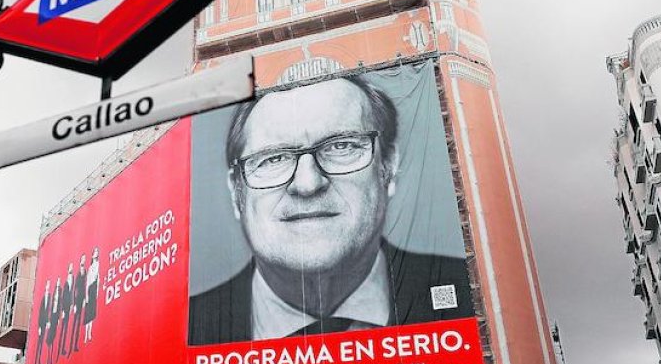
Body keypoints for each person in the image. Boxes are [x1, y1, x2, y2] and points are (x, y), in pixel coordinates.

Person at [188, 76, 473, 345]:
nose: (308, 184)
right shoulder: (185, 333)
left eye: (341, 146)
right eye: (273, 158)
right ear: (236, 192)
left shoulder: (472, 292)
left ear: (388, 167)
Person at [69, 253, 86, 352]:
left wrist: (83, 299)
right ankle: (71, 345)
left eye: (85, 259)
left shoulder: (85, 272)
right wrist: (74, 303)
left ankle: (75, 345)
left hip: (81, 300)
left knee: (78, 324)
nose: (84, 260)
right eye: (82, 259)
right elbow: (74, 289)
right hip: (76, 301)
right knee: (74, 324)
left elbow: (84, 286)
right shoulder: (78, 273)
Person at [33, 280, 50, 364]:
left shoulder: (50, 297)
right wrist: (39, 326)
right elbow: (40, 313)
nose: (48, 287)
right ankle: (36, 363)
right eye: (47, 285)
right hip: (41, 324)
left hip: (46, 323)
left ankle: (39, 361)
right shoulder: (43, 297)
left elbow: (48, 311)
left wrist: (48, 321)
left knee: (43, 342)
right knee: (39, 344)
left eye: (49, 285)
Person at [57, 264, 74, 357]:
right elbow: (63, 297)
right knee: (63, 329)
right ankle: (60, 347)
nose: (72, 268)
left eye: (72, 267)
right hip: (64, 309)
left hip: (69, 307)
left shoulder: (72, 278)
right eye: (70, 267)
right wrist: (63, 310)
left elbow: (72, 293)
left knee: (66, 329)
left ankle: (63, 348)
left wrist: (71, 305)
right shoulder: (65, 281)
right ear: (68, 270)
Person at [83, 247, 100, 343]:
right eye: (95, 252)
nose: (96, 253)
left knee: (92, 313)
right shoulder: (90, 267)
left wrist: (97, 291)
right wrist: (86, 295)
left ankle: (89, 333)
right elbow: (87, 282)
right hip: (89, 290)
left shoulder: (98, 264)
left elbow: (98, 278)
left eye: (97, 252)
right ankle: (86, 334)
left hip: (94, 289)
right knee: (88, 313)